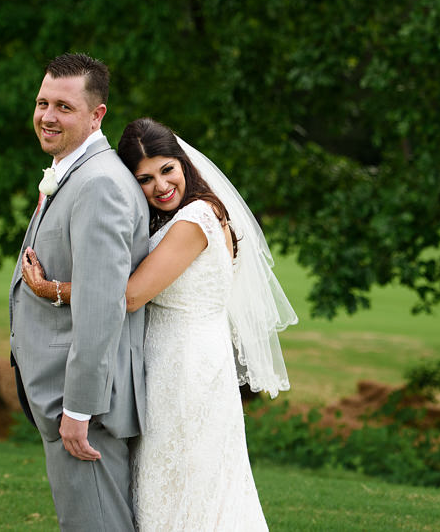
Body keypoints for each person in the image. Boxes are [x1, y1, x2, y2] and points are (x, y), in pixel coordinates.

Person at [23, 117, 298, 530]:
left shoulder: (197, 219)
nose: (160, 186)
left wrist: (52, 290)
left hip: (187, 371)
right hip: (171, 364)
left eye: (167, 169)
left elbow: (132, 295)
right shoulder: (179, 217)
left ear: (183, 162)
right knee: (170, 486)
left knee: (189, 487)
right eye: (145, 178)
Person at [9, 53, 149, 531]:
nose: (47, 116)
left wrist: (78, 408)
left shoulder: (99, 185)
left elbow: (101, 304)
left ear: (97, 114)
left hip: (84, 406)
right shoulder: (73, 172)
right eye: (42, 102)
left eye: (64, 107)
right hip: (67, 398)